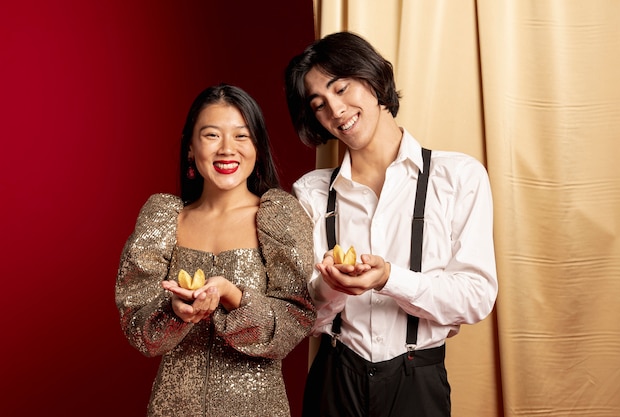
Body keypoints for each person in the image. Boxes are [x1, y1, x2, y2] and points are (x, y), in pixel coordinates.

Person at [284, 31, 498, 417]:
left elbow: (476, 296)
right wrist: (331, 288)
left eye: (342, 87)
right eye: (319, 104)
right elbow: (301, 318)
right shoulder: (311, 193)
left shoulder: (458, 177)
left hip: (418, 381)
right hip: (334, 377)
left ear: (372, 77)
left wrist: (389, 279)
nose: (335, 109)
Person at [115, 84, 316, 417]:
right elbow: (138, 329)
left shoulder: (279, 216)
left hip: (257, 409)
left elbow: (295, 322)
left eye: (241, 136)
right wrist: (175, 311)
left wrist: (232, 295)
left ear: (258, 147)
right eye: (211, 135)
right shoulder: (164, 217)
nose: (227, 149)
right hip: (172, 408)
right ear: (191, 148)